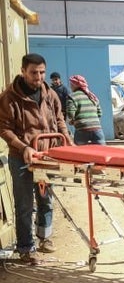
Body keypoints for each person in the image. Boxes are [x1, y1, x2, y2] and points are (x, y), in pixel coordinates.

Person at [0, 53, 74, 264]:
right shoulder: (9, 98)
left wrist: (67, 140)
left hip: (46, 156)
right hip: (21, 158)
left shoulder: (50, 94)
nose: (39, 77)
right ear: (23, 71)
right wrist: (23, 147)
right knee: (24, 204)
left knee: (45, 199)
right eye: (34, 73)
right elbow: (3, 128)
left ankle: (45, 238)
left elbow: (59, 119)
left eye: (42, 72)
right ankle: (26, 248)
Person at [66, 75, 106, 145]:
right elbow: (99, 113)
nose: (70, 86)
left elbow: (70, 113)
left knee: (81, 153)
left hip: (82, 129)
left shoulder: (72, 96)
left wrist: (72, 121)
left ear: (75, 85)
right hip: (97, 128)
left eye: (71, 84)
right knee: (101, 152)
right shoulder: (92, 96)